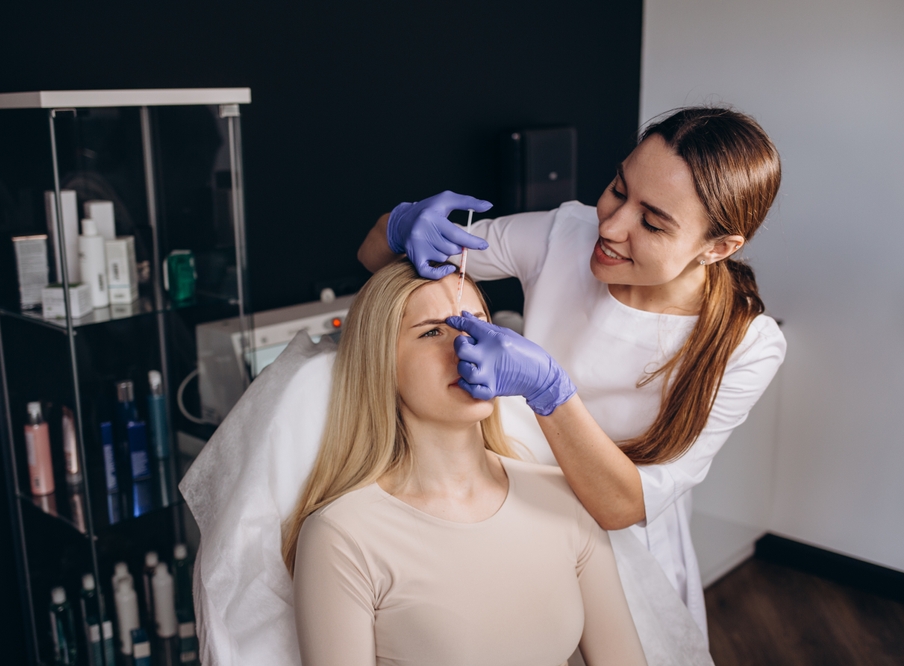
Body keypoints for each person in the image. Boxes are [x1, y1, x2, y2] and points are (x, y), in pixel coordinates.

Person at [357, 107, 787, 633]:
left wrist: (550, 392)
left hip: (627, 546)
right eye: (617, 188)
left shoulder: (747, 346)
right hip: (511, 508)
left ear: (718, 248)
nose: (611, 225)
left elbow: (621, 506)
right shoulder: (565, 233)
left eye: (652, 222)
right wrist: (401, 223)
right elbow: (378, 258)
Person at [283, 259, 647, 666]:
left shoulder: (565, 497)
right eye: (433, 331)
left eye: (475, 322)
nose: (467, 346)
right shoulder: (342, 536)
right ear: (381, 362)